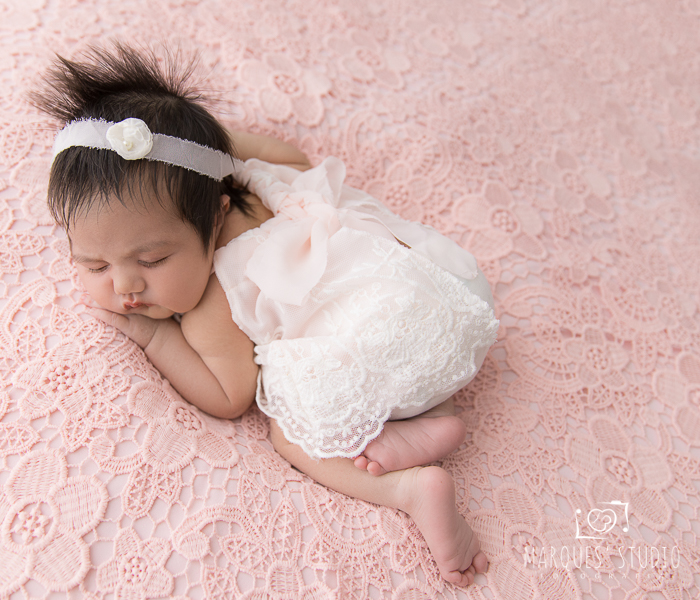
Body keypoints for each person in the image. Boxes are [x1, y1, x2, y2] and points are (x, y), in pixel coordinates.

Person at [32, 43, 498, 586]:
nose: (127, 285)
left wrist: (154, 339)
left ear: (216, 214)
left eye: (153, 259)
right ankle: (403, 428)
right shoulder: (264, 179)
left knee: (288, 431)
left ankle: (407, 487)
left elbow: (228, 396)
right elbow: (279, 152)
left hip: (393, 345)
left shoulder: (213, 301)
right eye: (92, 265)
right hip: (460, 297)